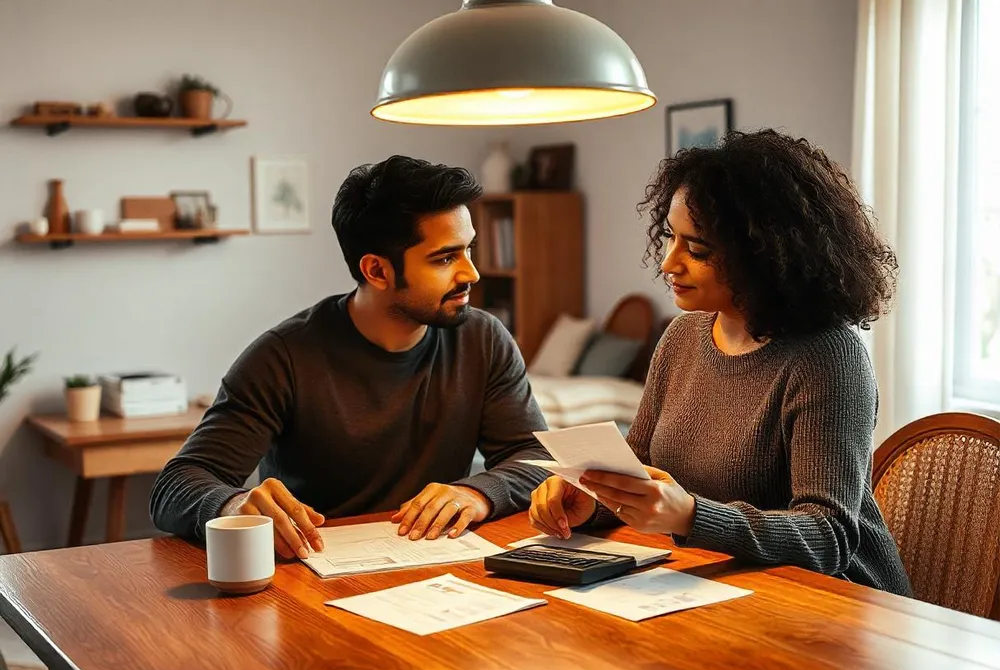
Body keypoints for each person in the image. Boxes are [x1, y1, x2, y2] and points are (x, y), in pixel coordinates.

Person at [529, 130, 912, 596]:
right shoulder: (682, 336)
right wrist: (591, 501)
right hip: (723, 583)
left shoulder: (827, 356)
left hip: (838, 603)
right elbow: (643, 473)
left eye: (698, 250)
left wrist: (690, 515)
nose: (669, 263)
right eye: (670, 237)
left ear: (766, 256)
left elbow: (829, 537)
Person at [150, 155, 552, 558]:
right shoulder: (283, 356)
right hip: (313, 578)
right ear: (377, 271)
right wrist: (235, 506)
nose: (471, 273)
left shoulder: (483, 339)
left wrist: (478, 493)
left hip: (441, 568)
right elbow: (175, 486)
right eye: (445, 258)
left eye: (469, 250)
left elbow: (536, 458)